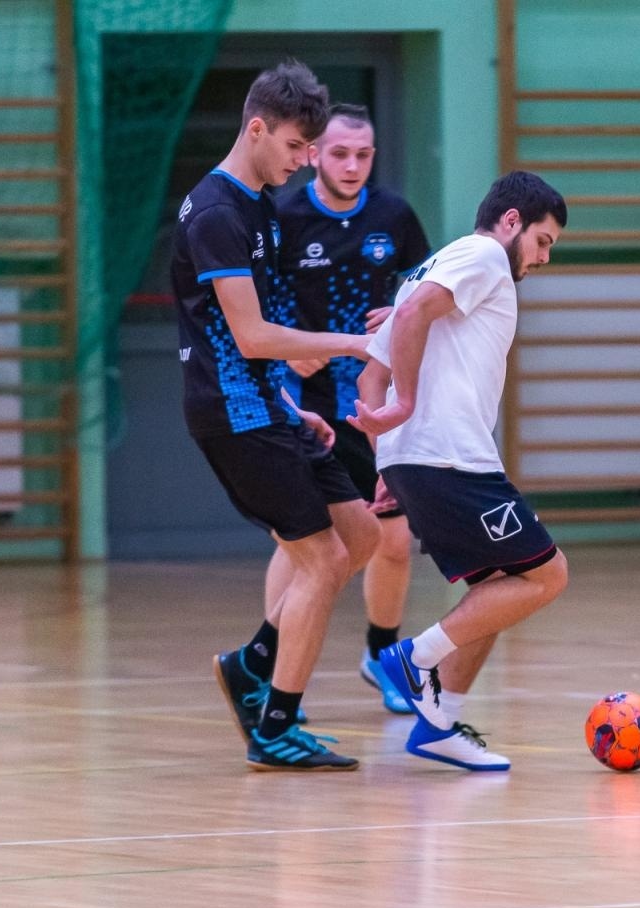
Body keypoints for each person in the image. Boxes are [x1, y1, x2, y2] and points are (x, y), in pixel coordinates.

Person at [173, 60, 378, 771]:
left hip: (265, 405)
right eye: (296, 146)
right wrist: (352, 342)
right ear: (256, 129)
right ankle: (276, 727)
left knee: (361, 535)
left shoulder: (259, 202)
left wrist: (291, 406)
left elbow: (242, 341)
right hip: (233, 415)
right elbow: (254, 336)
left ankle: (251, 664)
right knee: (322, 560)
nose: (303, 161)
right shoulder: (218, 214)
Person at [348, 171, 569, 772]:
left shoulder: (431, 266)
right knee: (547, 576)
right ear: (511, 221)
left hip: (418, 458)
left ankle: (439, 724)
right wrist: (407, 405)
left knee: (498, 585)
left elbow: (369, 375)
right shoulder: (484, 256)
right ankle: (412, 657)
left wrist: (386, 454)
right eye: (543, 241)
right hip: (450, 455)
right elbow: (414, 319)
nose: (544, 258)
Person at [272, 102, 432, 714]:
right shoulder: (285, 218)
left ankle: (383, 656)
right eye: (339, 153)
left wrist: (402, 312)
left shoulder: (394, 216)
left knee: (394, 541)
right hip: (305, 409)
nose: (351, 165)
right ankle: (269, 666)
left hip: (373, 407)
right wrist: (287, 351)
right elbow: (250, 307)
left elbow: (424, 295)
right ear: (314, 154)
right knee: (301, 544)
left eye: (363, 155)